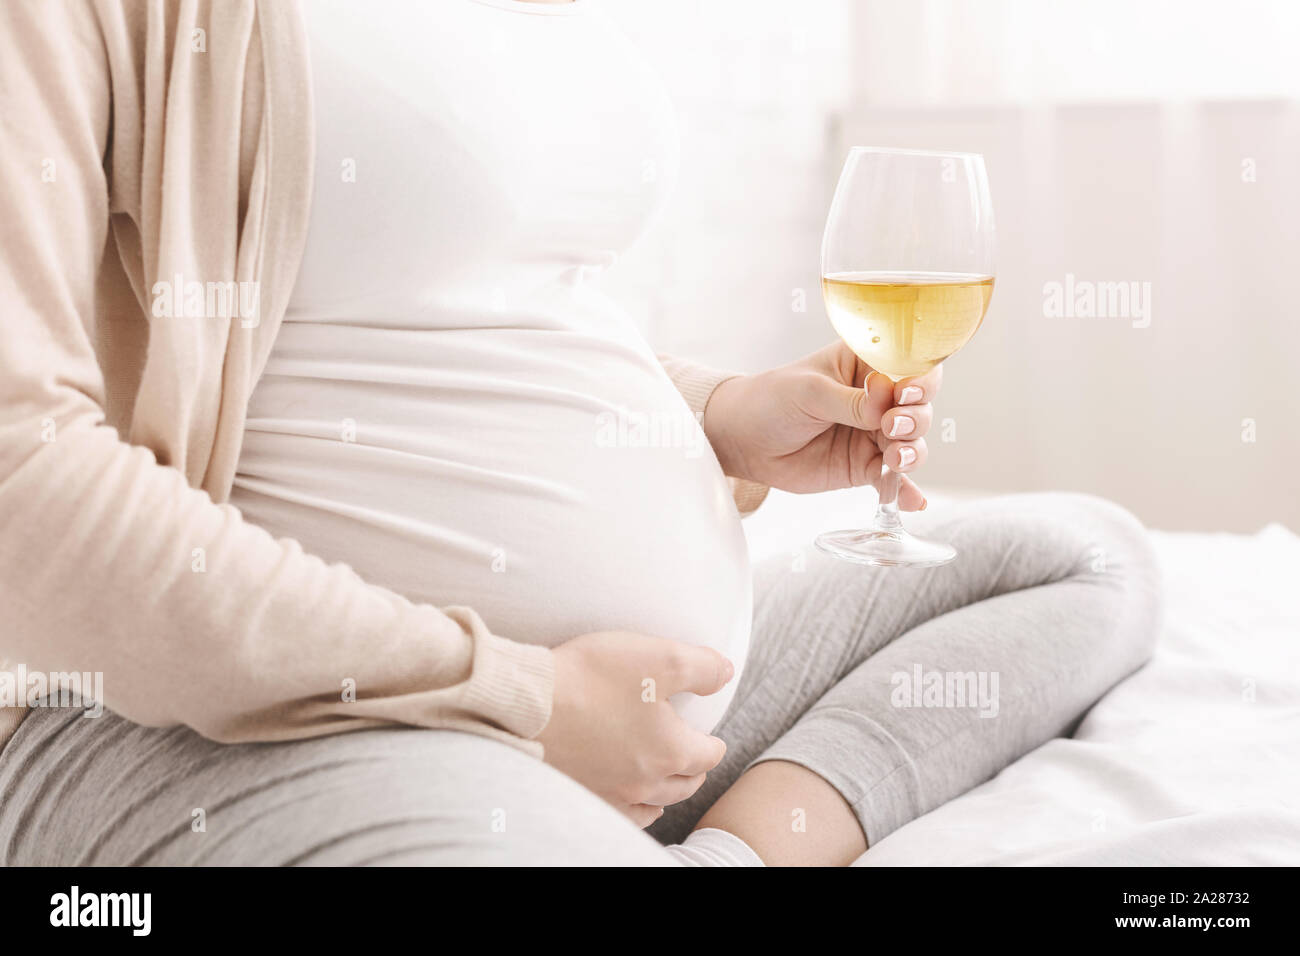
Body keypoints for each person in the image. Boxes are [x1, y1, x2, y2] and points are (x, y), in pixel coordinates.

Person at [0, 0, 1161, 866]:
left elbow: (474, 306)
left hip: (612, 713)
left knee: (1078, 560)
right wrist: (519, 698)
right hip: (248, 716)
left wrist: (714, 417)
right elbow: (22, 480)